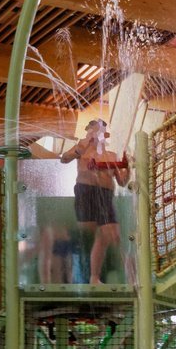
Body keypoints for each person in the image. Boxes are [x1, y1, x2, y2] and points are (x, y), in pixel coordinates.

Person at [59, 120, 132, 284]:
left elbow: (122, 182)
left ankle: (98, 276)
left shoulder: (111, 156)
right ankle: (83, 275)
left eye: (100, 131)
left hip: (105, 195)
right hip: (85, 192)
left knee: (112, 235)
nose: (97, 135)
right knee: (87, 235)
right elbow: (64, 159)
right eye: (94, 131)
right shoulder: (81, 150)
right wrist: (82, 145)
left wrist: (128, 168)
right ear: (88, 132)